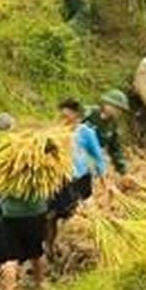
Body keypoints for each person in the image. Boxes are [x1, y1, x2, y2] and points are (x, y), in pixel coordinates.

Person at [45, 94, 120, 259]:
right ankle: (50, 246)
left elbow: (98, 158)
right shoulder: (55, 134)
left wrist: (106, 183)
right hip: (60, 181)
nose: (62, 119)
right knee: (51, 216)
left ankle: (93, 245)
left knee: (78, 213)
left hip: (79, 180)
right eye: (60, 115)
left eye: (66, 116)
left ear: (76, 116)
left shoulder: (86, 132)